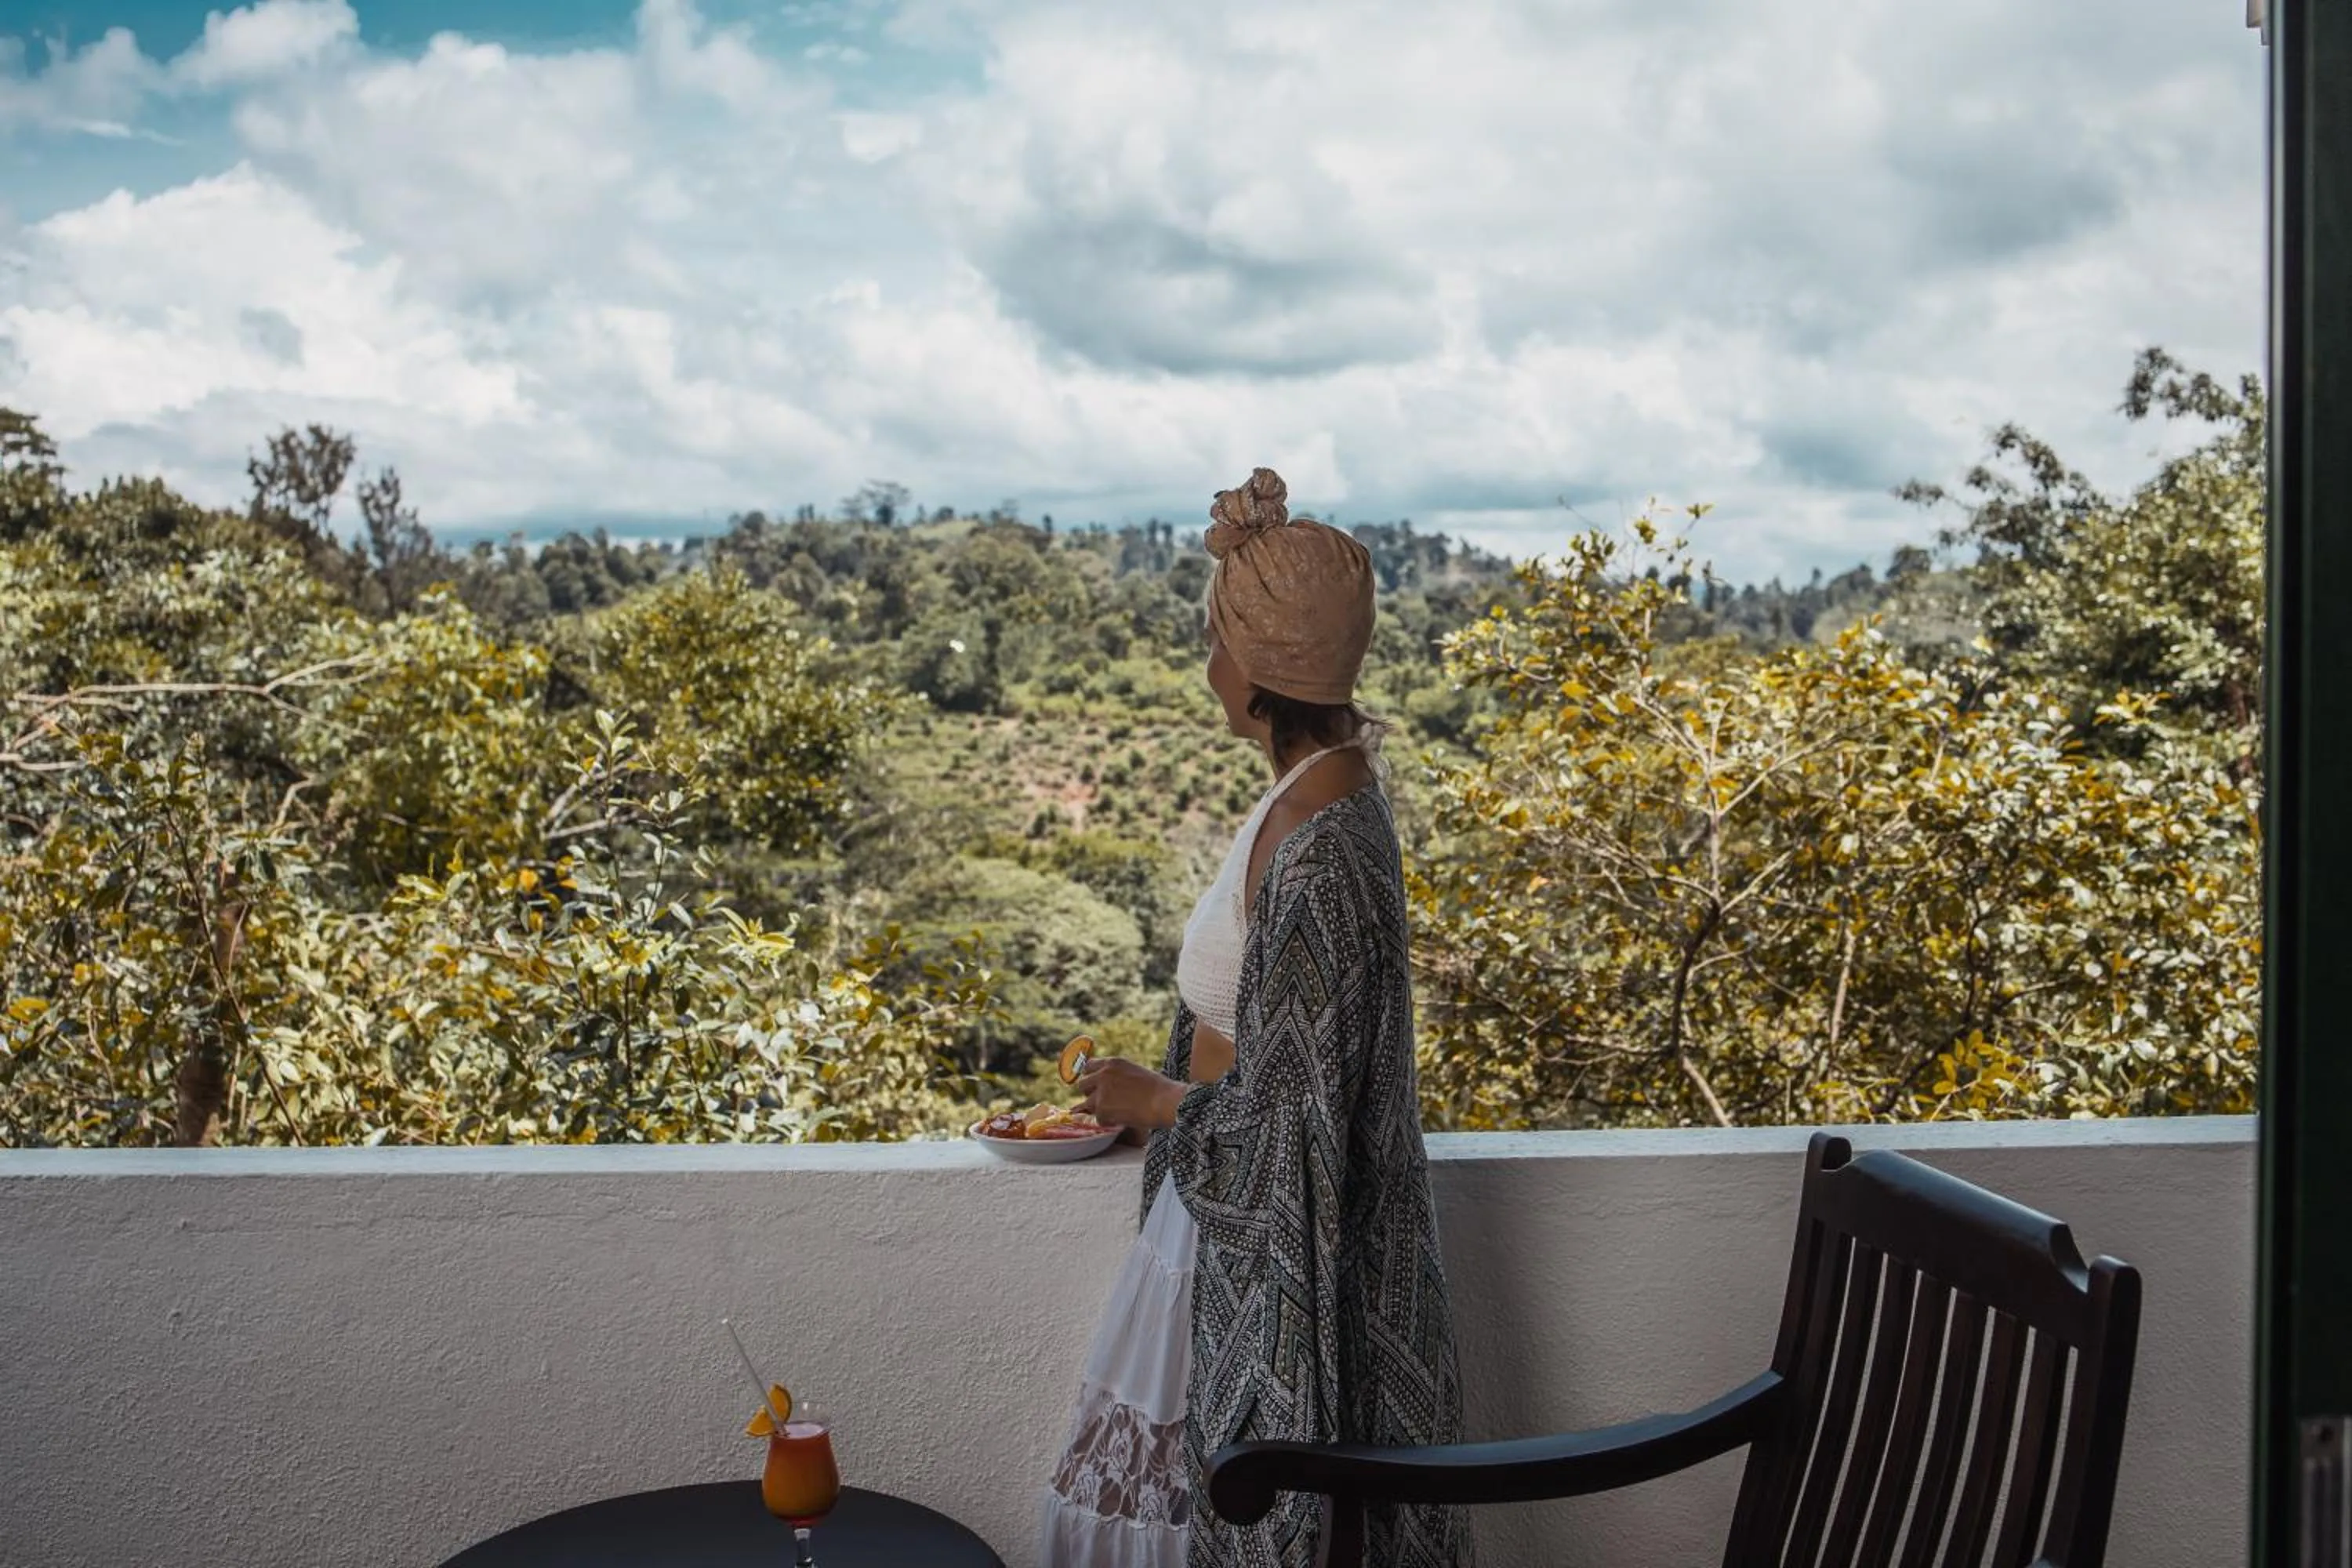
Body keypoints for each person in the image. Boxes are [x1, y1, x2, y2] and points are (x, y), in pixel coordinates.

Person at [1036, 468, 1474, 1568]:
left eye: (1217, 638)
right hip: (1220, 1228)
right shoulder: (1318, 796)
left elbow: (1296, 1131)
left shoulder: (1318, 848)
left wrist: (1156, 1100)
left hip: (1255, 1257)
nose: (1207, 663)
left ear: (1254, 670)